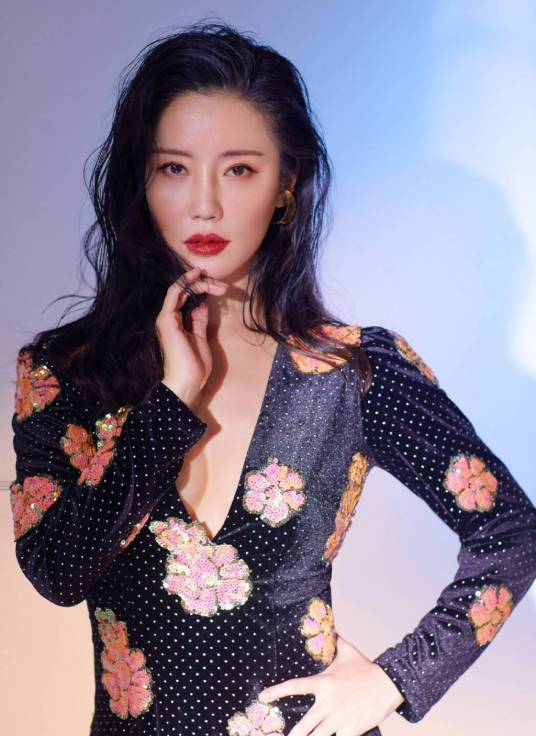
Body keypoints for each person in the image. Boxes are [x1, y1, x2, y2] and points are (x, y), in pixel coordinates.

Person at [10, 19, 536, 736]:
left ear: (285, 184)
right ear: (141, 181)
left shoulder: (353, 373)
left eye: (239, 170)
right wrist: (172, 400)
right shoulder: (68, 373)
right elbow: (57, 573)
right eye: (174, 168)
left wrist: (396, 679)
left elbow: (513, 530)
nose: (205, 204)